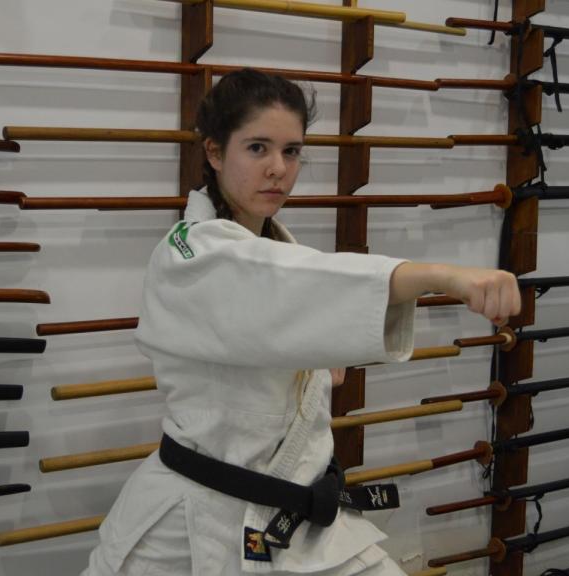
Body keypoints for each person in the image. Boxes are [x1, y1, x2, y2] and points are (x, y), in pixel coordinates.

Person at [82, 68, 520, 575]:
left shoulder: (276, 249)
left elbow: (282, 301)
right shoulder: (189, 252)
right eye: (258, 148)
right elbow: (274, 284)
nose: (278, 169)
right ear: (215, 153)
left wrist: (306, 364)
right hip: (192, 526)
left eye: (291, 152)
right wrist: (439, 275)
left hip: (291, 519)